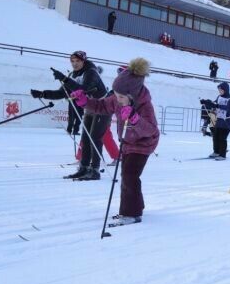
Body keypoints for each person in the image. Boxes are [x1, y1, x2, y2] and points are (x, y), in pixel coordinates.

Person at [71, 57, 159, 225]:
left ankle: (131, 214)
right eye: (116, 95)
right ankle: (136, 206)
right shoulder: (117, 98)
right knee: (128, 175)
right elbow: (101, 106)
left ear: (132, 95)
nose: (117, 99)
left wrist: (135, 119)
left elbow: (151, 130)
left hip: (143, 144)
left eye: (121, 97)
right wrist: (85, 102)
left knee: (129, 175)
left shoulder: (144, 105)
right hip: (127, 142)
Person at [30, 51, 110, 180]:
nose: (74, 64)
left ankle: (95, 170)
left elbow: (83, 89)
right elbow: (61, 93)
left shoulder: (91, 72)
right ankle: (84, 168)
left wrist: (64, 79)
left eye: (77, 61)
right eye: (72, 61)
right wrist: (42, 94)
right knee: (85, 138)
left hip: (103, 106)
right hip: (90, 107)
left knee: (94, 138)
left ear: (83, 61)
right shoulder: (73, 75)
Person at [204, 82, 230, 161]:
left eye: (221, 90)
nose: (220, 91)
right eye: (219, 90)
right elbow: (214, 103)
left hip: (227, 122)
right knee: (215, 136)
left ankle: (222, 155)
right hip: (219, 121)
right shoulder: (219, 97)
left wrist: (217, 106)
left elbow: (229, 108)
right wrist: (206, 102)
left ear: (225, 90)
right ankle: (216, 152)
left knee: (222, 138)